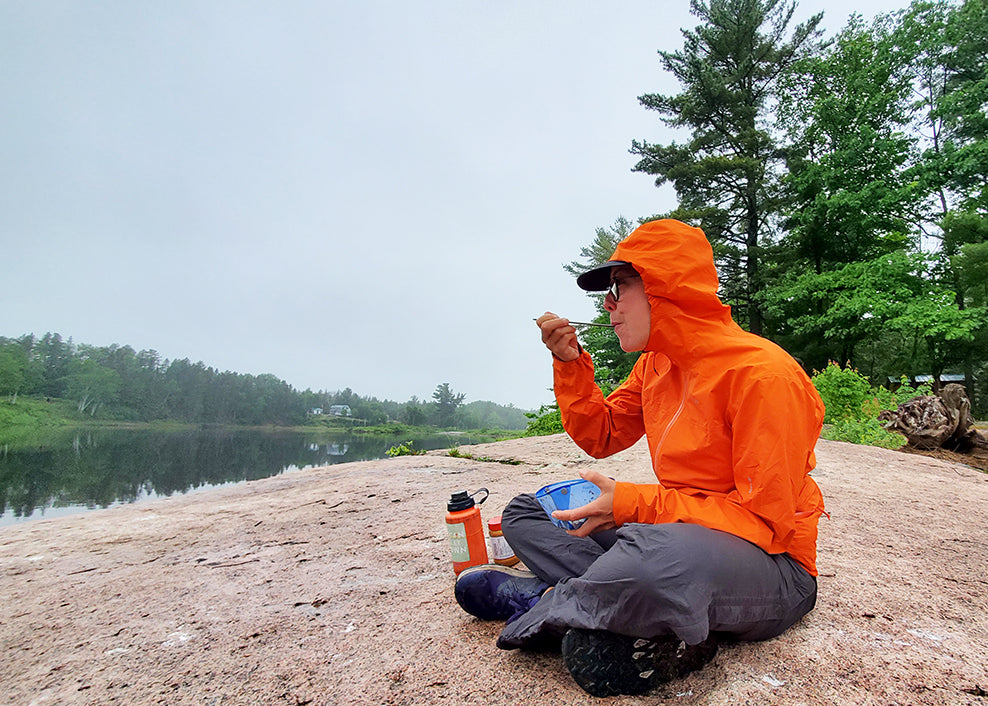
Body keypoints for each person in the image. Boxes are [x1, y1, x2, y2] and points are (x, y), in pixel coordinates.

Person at [453, 219, 827, 697]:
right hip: (677, 534)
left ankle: (549, 599)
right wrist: (570, 365)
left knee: (659, 559)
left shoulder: (763, 377)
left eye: (619, 288)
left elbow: (765, 523)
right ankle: (609, 600)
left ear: (665, 290)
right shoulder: (657, 364)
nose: (607, 306)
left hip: (770, 565)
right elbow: (603, 434)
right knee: (527, 514)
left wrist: (635, 506)